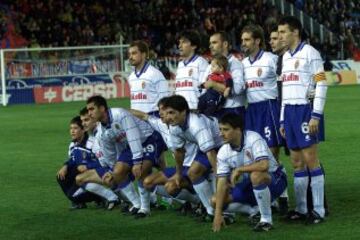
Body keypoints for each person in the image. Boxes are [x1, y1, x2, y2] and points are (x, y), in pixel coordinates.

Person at [278, 16, 328, 224]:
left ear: (295, 32)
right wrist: (282, 120)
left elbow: (322, 83)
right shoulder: (285, 57)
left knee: (310, 160)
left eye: (283, 32)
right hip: (289, 112)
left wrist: (316, 114)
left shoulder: (310, 53)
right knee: (296, 162)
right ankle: (300, 208)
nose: (280, 36)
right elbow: (285, 90)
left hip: (305, 111)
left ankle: (318, 211)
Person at [82, 95, 167, 218]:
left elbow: (134, 136)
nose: (89, 113)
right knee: (118, 172)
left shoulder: (120, 114)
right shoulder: (102, 133)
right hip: (132, 146)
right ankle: (137, 204)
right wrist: (111, 172)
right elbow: (110, 155)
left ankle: (145, 209)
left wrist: (137, 162)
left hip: (149, 138)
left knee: (140, 171)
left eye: (91, 109)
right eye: (88, 110)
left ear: (102, 108)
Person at [212, 113, 287, 232]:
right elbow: (221, 182)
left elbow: (264, 165)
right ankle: (255, 210)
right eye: (220, 129)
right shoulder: (223, 151)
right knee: (215, 201)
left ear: (238, 129)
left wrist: (239, 169)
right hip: (248, 185)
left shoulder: (253, 138)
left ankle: (266, 220)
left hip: (275, 180)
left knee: (256, 175)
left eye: (225, 129)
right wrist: (218, 214)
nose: (221, 133)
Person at [130, 97, 200, 213]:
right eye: (159, 110)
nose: (161, 113)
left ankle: (199, 202)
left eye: (165, 110)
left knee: (171, 186)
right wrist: (121, 111)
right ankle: (195, 201)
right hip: (180, 168)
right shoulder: (160, 124)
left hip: (195, 168)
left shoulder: (185, 125)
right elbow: (144, 116)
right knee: (147, 182)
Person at [163, 95, 223, 221]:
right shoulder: (174, 126)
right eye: (167, 113)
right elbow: (179, 152)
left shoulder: (196, 124)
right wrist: (178, 174)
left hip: (223, 145)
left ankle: (221, 210)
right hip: (208, 147)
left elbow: (211, 153)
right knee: (193, 173)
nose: (168, 117)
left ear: (183, 111)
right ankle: (210, 210)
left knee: (198, 173)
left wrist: (220, 175)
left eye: (171, 112)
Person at [241, 24, 283, 161]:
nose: (243, 43)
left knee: (271, 151)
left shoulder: (270, 59)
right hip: (251, 109)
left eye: (247, 40)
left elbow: (283, 81)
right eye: (242, 40)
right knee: (252, 150)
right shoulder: (243, 64)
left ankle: (276, 179)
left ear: (257, 41)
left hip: (268, 108)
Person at [56, 116, 102, 209]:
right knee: (61, 176)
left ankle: (99, 197)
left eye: (75, 128)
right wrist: (65, 166)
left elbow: (101, 162)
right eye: (71, 128)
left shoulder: (92, 143)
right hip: (81, 174)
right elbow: (72, 159)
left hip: (94, 173)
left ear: (83, 130)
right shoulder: (73, 144)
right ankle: (78, 201)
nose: (72, 131)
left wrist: (88, 166)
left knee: (72, 195)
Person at [201, 31, 246, 119]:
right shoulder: (210, 66)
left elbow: (237, 89)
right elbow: (203, 89)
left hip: (232, 110)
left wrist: (214, 85)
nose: (210, 46)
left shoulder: (235, 63)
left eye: (214, 42)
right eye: (210, 43)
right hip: (213, 111)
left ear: (225, 44)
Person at [128, 40, 170, 116]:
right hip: (136, 120)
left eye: (134, 53)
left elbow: (165, 100)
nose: (130, 57)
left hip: (152, 118)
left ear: (143, 54)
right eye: (129, 54)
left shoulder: (155, 74)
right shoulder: (131, 77)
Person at [175, 30, 209, 110]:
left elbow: (205, 88)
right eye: (179, 43)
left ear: (194, 46)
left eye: (184, 42)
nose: (179, 46)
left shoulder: (201, 62)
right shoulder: (180, 65)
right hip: (180, 113)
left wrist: (200, 108)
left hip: (195, 111)